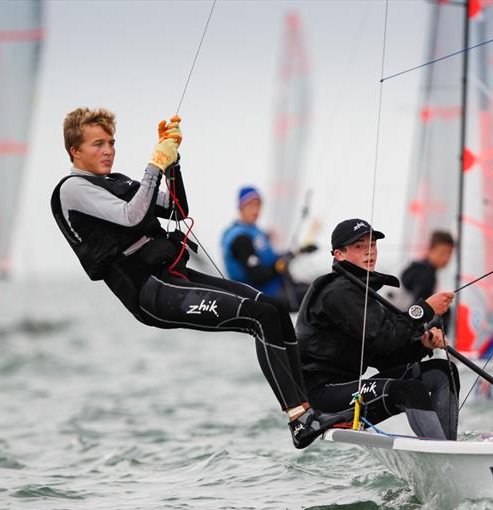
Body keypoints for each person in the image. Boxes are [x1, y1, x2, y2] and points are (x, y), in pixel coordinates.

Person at [50, 107, 340, 449]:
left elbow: (176, 209)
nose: (109, 150)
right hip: (150, 292)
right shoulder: (72, 189)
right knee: (258, 318)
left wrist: (173, 162)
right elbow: (131, 217)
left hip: (175, 275)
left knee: (273, 308)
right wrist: (155, 164)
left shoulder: (117, 182)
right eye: (98, 144)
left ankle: (311, 405)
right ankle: (300, 419)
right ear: (75, 151)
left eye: (111, 142)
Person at [296, 219, 460, 440]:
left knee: (443, 372)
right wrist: (425, 309)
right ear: (339, 255)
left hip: (349, 387)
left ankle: (448, 446)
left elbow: (385, 357)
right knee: (409, 391)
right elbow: (383, 339)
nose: (369, 252)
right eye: (359, 246)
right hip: (323, 396)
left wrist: (422, 345)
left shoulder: (362, 291)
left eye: (372, 245)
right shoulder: (337, 292)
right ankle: (441, 455)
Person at [221, 186, 316, 312]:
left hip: (278, 285)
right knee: (319, 296)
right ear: (240, 208)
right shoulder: (240, 238)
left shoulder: (256, 231)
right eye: (250, 206)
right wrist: (279, 265)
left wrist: (298, 252)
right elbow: (257, 276)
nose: (255, 210)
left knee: (319, 288)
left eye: (258, 206)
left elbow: (273, 260)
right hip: (261, 296)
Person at [401, 230, 455, 301]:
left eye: (449, 253)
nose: (446, 258)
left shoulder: (420, 268)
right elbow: (418, 306)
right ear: (431, 250)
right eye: (442, 253)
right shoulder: (425, 274)